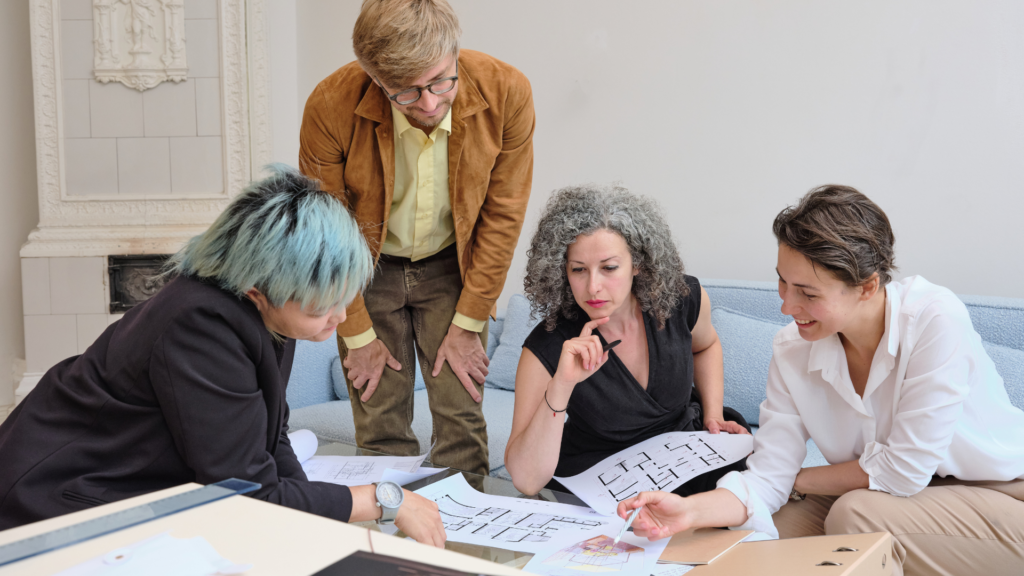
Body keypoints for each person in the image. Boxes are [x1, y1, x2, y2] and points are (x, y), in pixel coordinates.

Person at [0, 168, 446, 547]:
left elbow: (269, 438)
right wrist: (380, 500)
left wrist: (310, 508)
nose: (339, 318)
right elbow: (246, 492)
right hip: (58, 502)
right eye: (319, 308)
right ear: (257, 290)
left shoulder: (267, 310)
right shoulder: (199, 325)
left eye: (343, 298)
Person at [616, 185, 1024, 575]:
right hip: (883, 496)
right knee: (752, 543)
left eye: (807, 293)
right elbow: (768, 475)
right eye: (782, 281)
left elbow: (904, 471)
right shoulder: (793, 348)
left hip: (1002, 494)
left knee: (856, 516)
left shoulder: (934, 319)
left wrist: (797, 480)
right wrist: (690, 511)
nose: (786, 305)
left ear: (867, 287)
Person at [298, 0, 534, 476]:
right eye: (404, 92)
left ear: (454, 52)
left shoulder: (507, 91)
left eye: (441, 81)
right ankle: (388, 537)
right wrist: (357, 333)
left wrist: (468, 325)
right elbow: (324, 230)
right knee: (379, 422)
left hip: (454, 266)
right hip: (364, 269)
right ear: (375, 79)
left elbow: (502, 217)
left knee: (461, 419)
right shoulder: (330, 105)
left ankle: (465, 544)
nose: (428, 104)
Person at [504, 185, 751, 497]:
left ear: (638, 264)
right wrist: (562, 385)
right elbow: (526, 481)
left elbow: (706, 345)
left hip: (686, 454)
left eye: (609, 268)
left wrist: (713, 414)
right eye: (578, 270)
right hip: (603, 475)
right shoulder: (548, 346)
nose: (593, 287)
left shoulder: (681, 300)